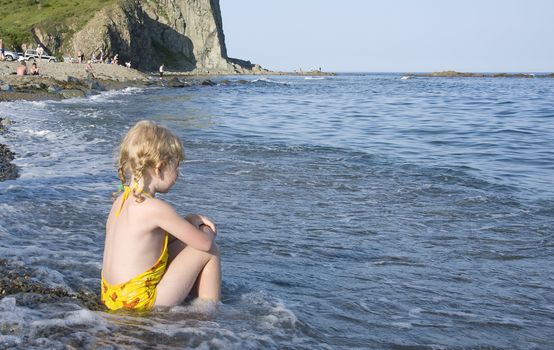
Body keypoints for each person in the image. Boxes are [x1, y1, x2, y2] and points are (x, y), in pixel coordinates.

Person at [101, 120, 221, 311]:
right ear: (159, 167)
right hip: (140, 302)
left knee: (180, 244)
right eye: (176, 167)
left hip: (112, 296)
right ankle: (206, 315)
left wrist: (189, 220)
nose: (178, 175)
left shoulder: (121, 201)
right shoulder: (155, 208)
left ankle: (190, 296)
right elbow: (204, 244)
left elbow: (154, 241)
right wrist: (206, 229)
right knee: (209, 250)